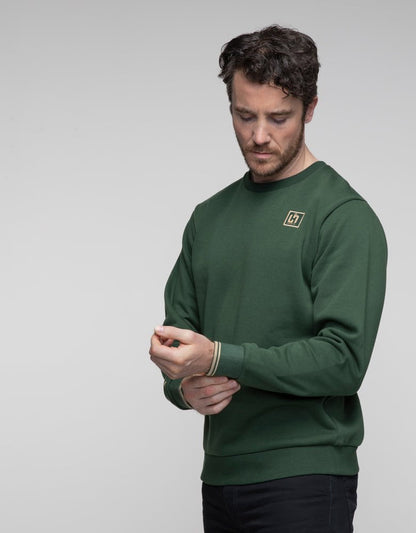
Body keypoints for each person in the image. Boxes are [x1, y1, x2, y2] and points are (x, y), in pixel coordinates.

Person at [149, 25, 387, 532]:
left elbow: (344, 361)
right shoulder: (208, 218)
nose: (259, 136)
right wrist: (183, 386)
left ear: (310, 108)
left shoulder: (341, 216)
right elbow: (178, 340)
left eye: (279, 118)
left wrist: (220, 356)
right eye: (244, 115)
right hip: (220, 477)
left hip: (306, 477)